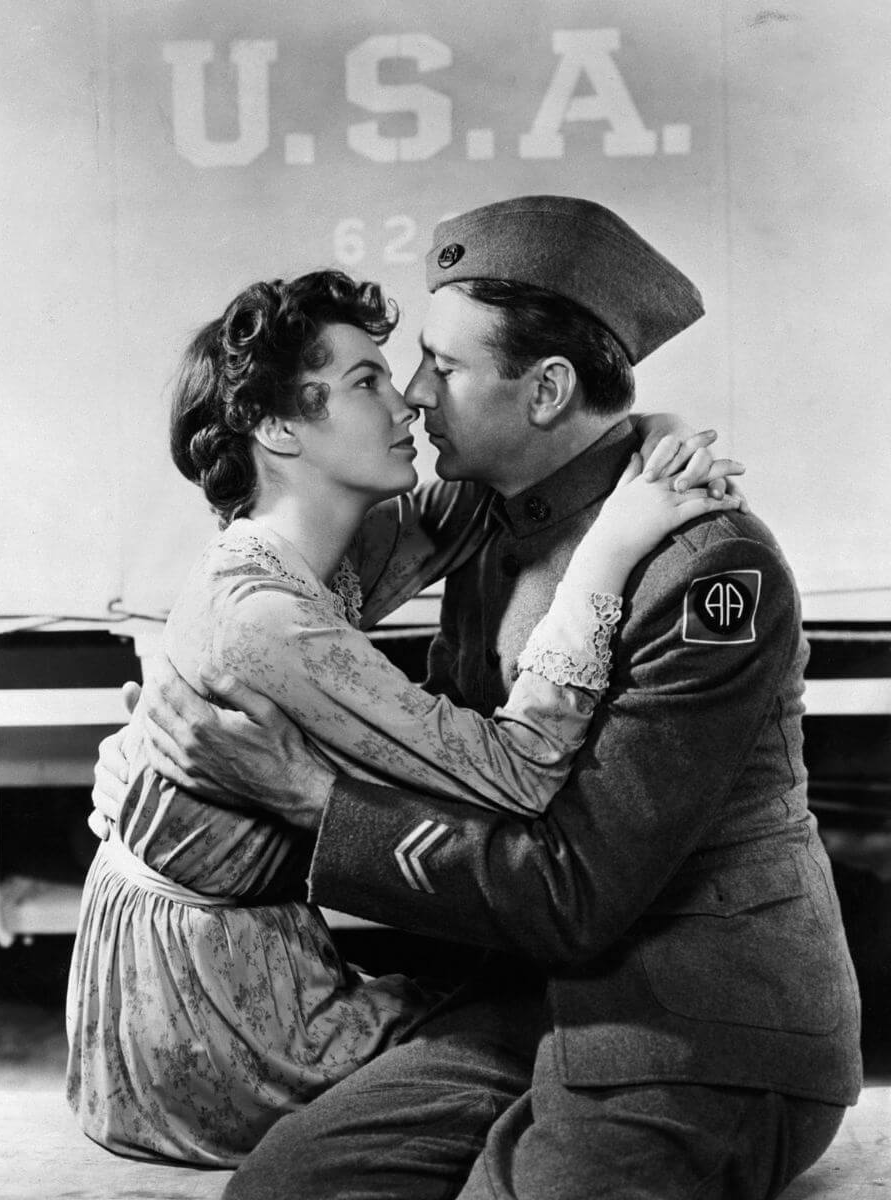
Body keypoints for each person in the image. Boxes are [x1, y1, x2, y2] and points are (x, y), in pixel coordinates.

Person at [95, 197, 862, 1200]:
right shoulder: (490, 518)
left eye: (442, 369)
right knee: (288, 1188)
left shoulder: (706, 568)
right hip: (525, 1000)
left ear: (545, 391)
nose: (413, 397)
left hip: (696, 1021)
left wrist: (309, 803)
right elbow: (290, 609)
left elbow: (578, 893)